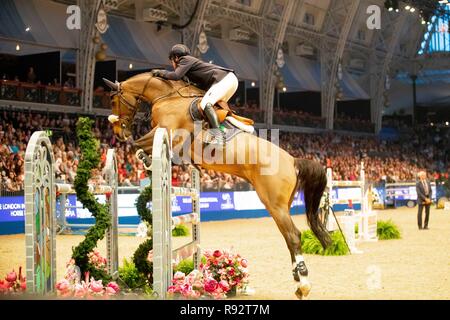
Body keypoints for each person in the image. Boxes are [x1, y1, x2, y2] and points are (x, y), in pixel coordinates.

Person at [152, 44, 238, 144]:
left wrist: (160, 72)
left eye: (172, 61)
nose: (173, 65)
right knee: (213, 109)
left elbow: (175, 75)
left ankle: (218, 135)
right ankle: (223, 130)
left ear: (176, 57)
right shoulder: (189, 67)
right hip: (229, 80)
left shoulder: (184, 59)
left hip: (224, 79)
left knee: (205, 104)